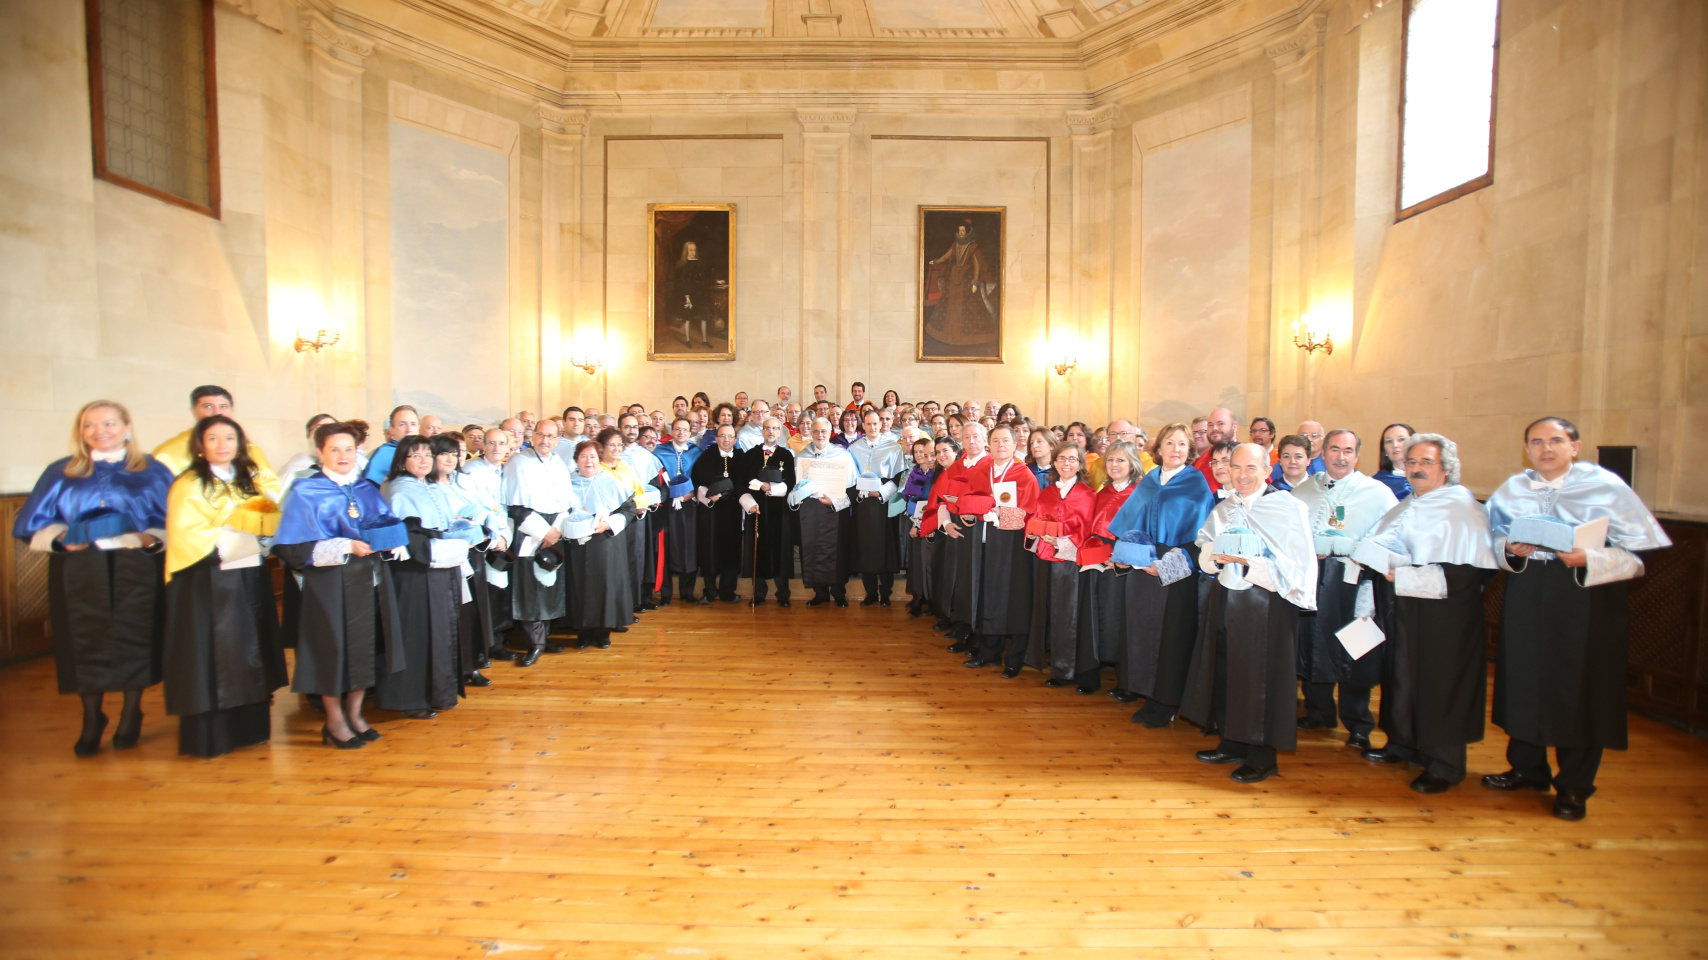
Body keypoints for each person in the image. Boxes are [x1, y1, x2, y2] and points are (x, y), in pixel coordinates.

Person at [1484, 417, 1671, 820]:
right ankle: (1527, 768)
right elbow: (1491, 544)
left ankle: (1573, 787)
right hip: (1528, 592)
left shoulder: (1606, 487)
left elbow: (1641, 557)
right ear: (1527, 449)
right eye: (1536, 442)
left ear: (1575, 446)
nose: (1545, 448)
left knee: (1582, 689)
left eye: (1555, 441)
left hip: (1586, 597)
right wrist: (1512, 550)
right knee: (1524, 679)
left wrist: (1590, 558)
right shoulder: (1513, 489)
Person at [16, 400, 174, 756]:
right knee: (82, 637)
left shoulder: (152, 471)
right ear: (80, 431)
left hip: (136, 563)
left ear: (127, 427)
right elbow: (35, 521)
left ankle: (132, 712)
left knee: (137, 633)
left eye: (109, 424)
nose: (100, 431)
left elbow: (173, 518)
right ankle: (92, 716)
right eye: (90, 425)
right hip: (79, 565)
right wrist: (59, 539)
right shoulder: (61, 471)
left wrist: (148, 537)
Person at [1354, 433, 1499, 793]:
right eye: (1411, 462)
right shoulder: (1408, 503)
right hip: (1402, 609)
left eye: (1426, 463)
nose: (1416, 469)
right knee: (1401, 676)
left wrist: (1401, 575)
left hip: (1443, 621)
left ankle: (1444, 764)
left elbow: (1468, 574)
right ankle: (1403, 744)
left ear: (1447, 468)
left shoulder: (1463, 509)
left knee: (1440, 685)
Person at [1181, 444, 1317, 783]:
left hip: (1266, 604)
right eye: (1236, 467)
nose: (1242, 475)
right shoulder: (1226, 507)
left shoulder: (1288, 507)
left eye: (1251, 468)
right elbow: (1205, 545)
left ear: (1267, 470)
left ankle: (1261, 756)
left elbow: (1297, 563)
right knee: (1226, 669)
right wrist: (1216, 555)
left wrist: (1248, 561)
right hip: (1226, 598)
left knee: (1260, 677)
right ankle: (1231, 741)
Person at [272, 420, 407, 748]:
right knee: (330, 651)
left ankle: (355, 713)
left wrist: (393, 541)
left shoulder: (363, 488)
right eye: (334, 449)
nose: (343, 455)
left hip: (367, 581)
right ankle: (333, 720)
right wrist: (346, 546)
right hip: (328, 584)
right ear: (319, 453)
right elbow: (291, 548)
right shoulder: (307, 491)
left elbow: (382, 522)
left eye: (349, 449)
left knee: (362, 649)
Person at [160, 415, 285, 758]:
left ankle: (250, 728)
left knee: (250, 650)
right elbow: (187, 534)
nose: (222, 445)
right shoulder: (188, 484)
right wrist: (234, 534)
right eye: (212, 439)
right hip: (206, 582)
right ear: (199, 445)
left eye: (229, 438)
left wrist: (261, 528)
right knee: (213, 656)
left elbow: (267, 515)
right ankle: (211, 737)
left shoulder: (248, 480)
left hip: (248, 576)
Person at [1289, 430, 1398, 749]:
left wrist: (1357, 547)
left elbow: (1392, 534)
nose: (1340, 457)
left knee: (1357, 648)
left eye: (1348, 451)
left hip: (1356, 580)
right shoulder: (1305, 489)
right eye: (1334, 450)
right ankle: (1319, 710)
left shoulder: (1376, 492)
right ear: (1323, 453)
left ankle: (1358, 722)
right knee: (1312, 643)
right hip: (1314, 578)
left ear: (1357, 455)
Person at [1104, 423, 1217, 721]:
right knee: (1141, 629)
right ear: (1159, 448)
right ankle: (1145, 692)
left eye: (1182, 444)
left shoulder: (1196, 483)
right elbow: (1128, 522)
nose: (1175, 449)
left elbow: (1202, 539)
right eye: (1170, 443)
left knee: (1172, 635)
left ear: (1189, 449)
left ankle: (1167, 702)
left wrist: (1165, 567)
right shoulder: (1150, 480)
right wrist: (1125, 556)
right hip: (1142, 562)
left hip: (1175, 565)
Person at [379, 436, 478, 719]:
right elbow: (409, 538)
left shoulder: (429, 486)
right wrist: (450, 548)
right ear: (402, 460)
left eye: (427, 454)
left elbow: (444, 523)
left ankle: (439, 693)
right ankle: (410, 699)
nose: (423, 460)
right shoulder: (399, 490)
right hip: (415, 573)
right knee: (418, 634)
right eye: (415, 455)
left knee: (442, 631)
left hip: (439, 568)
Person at [958, 424, 1040, 675]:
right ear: (988, 445)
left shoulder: (1024, 474)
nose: (1001, 445)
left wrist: (1000, 513)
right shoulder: (982, 470)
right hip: (984, 542)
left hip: (1012, 546)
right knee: (987, 597)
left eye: (1006, 441)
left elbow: (1031, 513)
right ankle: (989, 653)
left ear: (1015, 445)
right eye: (996, 441)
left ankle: (1015, 658)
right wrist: (968, 515)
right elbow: (968, 501)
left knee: (1015, 600)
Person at [1022, 441, 1096, 687]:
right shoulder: (1047, 492)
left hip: (1070, 562)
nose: (1067, 463)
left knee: (1067, 615)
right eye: (1062, 459)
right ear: (1054, 463)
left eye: (1072, 459)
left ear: (1080, 464)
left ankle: (1064, 670)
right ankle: (1048, 659)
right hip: (1045, 558)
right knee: (1047, 611)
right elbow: (1035, 519)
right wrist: (1034, 533)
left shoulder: (1088, 494)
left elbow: (1087, 530)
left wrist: (1063, 540)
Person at [501, 419, 574, 667]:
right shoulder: (517, 462)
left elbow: (567, 502)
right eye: (541, 435)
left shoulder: (558, 463)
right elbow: (514, 506)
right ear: (532, 437)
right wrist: (544, 532)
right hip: (529, 534)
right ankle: (534, 644)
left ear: (557, 439)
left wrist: (558, 529)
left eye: (551, 436)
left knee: (550, 588)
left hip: (556, 531)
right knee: (529, 590)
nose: (545, 440)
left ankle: (545, 638)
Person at [1073, 440, 1140, 695]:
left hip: (1122, 566)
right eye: (1111, 460)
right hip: (1095, 563)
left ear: (1132, 464)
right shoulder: (1101, 492)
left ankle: (1126, 683)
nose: (1114, 465)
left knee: (1120, 622)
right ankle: (1090, 676)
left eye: (1121, 460)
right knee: (1093, 617)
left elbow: (1140, 534)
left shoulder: (1138, 495)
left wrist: (1119, 556)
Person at [565, 439, 637, 648]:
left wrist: (608, 523)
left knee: (606, 585)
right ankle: (583, 632)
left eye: (593, 457)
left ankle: (603, 632)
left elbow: (628, 509)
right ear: (576, 460)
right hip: (576, 544)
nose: (589, 461)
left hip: (606, 543)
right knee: (579, 586)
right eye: (583, 457)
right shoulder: (566, 483)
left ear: (600, 459)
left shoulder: (610, 481)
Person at [457, 427, 517, 663]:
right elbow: (471, 508)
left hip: (503, 536)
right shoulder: (471, 471)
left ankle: (496, 641)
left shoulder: (505, 469)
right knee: (483, 596)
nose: (496, 448)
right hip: (483, 539)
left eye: (501, 444)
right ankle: (483, 647)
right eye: (491, 443)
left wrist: (504, 536)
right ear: (483, 445)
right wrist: (494, 536)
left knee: (498, 593)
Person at [151, 385, 278, 486]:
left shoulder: (249, 449)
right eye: (208, 406)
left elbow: (270, 487)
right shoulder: (167, 454)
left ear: (231, 411)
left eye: (223, 406)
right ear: (194, 411)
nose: (217, 413)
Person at [792, 418, 856, 607]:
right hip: (811, 510)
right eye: (816, 431)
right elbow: (796, 485)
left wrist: (834, 502)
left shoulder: (843, 455)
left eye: (823, 432)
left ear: (830, 433)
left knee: (835, 551)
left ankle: (839, 593)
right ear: (811, 433)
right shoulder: (802, 455)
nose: (820, 435)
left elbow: (851, 488)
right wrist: (798, 496)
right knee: (812, 549)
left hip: (834, 510)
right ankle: (820, 593)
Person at [734, 417, 797, 606]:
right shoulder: (750, 455)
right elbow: (741, 482)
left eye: (775, 429)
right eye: (767, 428)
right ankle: (758, 593)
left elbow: (791, 481)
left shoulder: (786, 455)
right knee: (757, 550)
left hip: (779, 510)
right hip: (757, 509)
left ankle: (783, 594)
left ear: (779, 432)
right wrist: (750, 502)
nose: (771, 432)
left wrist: (771, 487)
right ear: (762, 431)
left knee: (781, 550)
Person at [848, 410, 906, 606]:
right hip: (863, 504)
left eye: (876, 423)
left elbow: (898, 478)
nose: (873, 427)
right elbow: (849, 479)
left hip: (884, 504)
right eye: (869, 424)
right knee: (866, 548)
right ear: (862, 425)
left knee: (885, 547)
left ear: (881, 425)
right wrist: (862, 492)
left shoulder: (893, 448)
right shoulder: (853, 449)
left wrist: (880, 493)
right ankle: (870, 592)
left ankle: (886, 593)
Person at [691, 424, 744, 603]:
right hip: (711, 513)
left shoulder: (741, 457)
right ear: (716, 438)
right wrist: (709, 493)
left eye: (730, 436)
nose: (726, 440)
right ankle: (710, 591)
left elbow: (744, 481)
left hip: (732, 511)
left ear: (735, 439)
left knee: (731, 550)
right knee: (709, 550)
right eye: (722, 436)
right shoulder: (706, 457)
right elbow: (698, 479)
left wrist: (728, 492)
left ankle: (728, 591)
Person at [656, 418, 702, 605]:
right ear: (672, 431)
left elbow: (701, 476)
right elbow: (656, 478)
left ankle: (687, 592)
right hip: (667, 506)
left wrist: (692, 494)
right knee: (666, 548)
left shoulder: (696, 452)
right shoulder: (660, 451)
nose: (681, 433)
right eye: (677, 429)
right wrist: (668, 495)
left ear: (690, 433)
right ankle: (666, 594)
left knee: (689, 548)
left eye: (685, 430)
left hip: (689, 506)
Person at [900, 436, 938, 617]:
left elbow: (928, 501)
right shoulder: (914, 471)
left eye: (926, 452)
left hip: (928, 522)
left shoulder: (935, 473)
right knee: (916, 562)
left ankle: (927, 599)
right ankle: (918, 596)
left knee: (927, 563)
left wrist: (918, 523)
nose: (922, 456)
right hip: (914, 518)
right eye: (917, 452)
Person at [278, 413, 338, 501]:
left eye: (332, 427)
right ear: (310, 435)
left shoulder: (349, 465)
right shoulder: (296, 468)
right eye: (320, 427)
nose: (327, 432)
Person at [363, 405, 420, 484]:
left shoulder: (427, 453)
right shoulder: (384, 454)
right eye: (402, 424)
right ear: (391, 429)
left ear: (418, 428)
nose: (409, 430)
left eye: (413, 424)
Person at [1190, 408, 1240, 491]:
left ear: (1234, 427)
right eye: (1210, 425)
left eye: (1220, 424)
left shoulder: (1248, 454)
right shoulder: (1200, 462)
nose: (1214, 428)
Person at [1373, 423, 1415, 499]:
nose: (1395, 445)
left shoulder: (1429, 476)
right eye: (1389, 441)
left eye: (1401, 439)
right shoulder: (1378, 483)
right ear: (1385, 450)